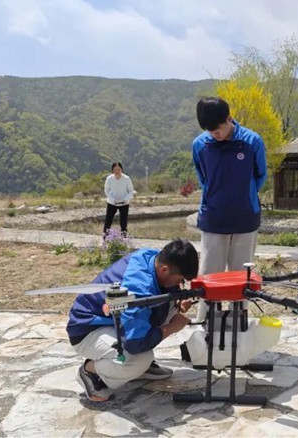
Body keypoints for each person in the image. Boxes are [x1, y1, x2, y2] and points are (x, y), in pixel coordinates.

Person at [66, 239, 199, 402]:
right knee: (137, 359)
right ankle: (90, 371)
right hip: (87, 329)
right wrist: (172, 327)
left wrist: (177, 303)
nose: (180, 284)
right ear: (164, 269)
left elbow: (161, 294)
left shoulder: (151, 257)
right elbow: (137, 344)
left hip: (113, 321)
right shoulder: (137, 290)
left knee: (168, 304)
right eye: (181, 280)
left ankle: (141, 369)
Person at [191, 97, 267, 322]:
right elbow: (203, 177)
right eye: (209, 130)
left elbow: (260, 175)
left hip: (245, 218)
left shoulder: (252, 141)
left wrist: (244, 195)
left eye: (218, 129)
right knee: (209, 274)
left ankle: (238, 320)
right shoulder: (200, 145)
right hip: (213, 218)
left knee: (240, 275)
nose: (215, 134)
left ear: (229, 119)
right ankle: (205, 321)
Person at [103, 162, 134, 238]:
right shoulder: (109, 178)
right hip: (112, 203)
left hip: (124, 203)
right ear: (112, 170)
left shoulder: (127, 179)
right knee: (108, 221)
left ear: (122, 169)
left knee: (123, 223)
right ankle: (105, 238)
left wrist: (126, 198)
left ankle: (124, 239)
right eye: (115, 170)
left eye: (119, 169)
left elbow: (131, 190)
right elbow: (106, 190)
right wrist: (111, 198)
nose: (117, 171)